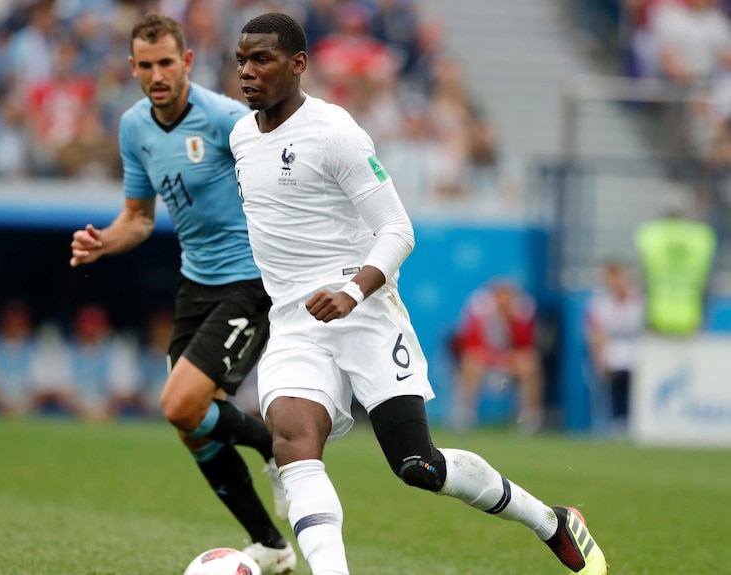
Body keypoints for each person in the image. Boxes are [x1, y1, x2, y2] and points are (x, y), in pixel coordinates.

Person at [230, 12, 607, 575]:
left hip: (364, 315)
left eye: (261, 59)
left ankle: (552, 521)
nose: (247, 71)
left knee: (417, 466)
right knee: (294, 449)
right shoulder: (241, 137)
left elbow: (397, 230)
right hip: (293, 325)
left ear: (299, 64)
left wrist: (352, 291)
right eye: (241, 60)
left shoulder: (335, 134)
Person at [68, 13, 295, 573]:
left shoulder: (226, 120)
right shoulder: (133, 127)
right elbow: (139, 218)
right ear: (133, 69)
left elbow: (279, 182)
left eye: (167, 62)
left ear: (187, 61)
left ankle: (274, 448)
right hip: (195, 282)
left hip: (248, 279)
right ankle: (271, 545)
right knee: (190, 426)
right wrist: (105, 242)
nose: (157, 74)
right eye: (145, 66)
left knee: (179, 403)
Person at [451, 279, 545, 434]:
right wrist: (494, 357)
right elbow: (471, 343)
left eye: (508, 297)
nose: (504, 301)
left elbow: (526, 344)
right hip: (487, 360)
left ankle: (529, 419)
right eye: (500, 296)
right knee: (472, 362)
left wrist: (511, 321)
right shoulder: (480, 309)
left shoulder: (523, 311)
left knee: (529, 363)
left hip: (510, 360)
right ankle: (464, 416)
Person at [634, 208, 716, 336]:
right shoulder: (700, 239)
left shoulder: (651, 236)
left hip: (657, 320)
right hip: (690, 321)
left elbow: (644, 281)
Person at [586, 260, 645, 434]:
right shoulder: (599, 303)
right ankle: (620, 421)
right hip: (613, 347)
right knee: (617, 371)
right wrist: (598, 358)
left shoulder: (639, 299)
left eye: (617, 276)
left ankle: (636, 419)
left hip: (636, 346)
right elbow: (596, 333)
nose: (614, 282)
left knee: (635, 371)